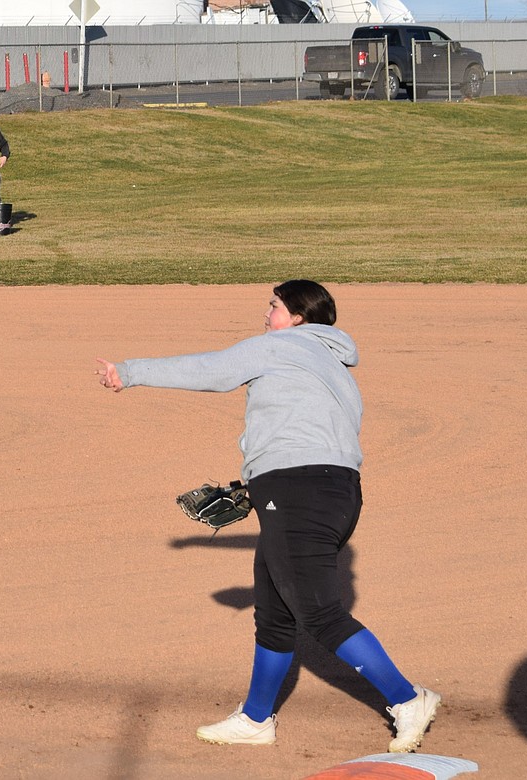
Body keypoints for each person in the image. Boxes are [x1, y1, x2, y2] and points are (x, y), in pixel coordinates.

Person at [95, 280, 440, 753]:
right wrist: (259, 484)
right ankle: (256, 718)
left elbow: (212, 370)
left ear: (298, 317)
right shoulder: (333, 365)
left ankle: (407, 698)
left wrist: (129, 372)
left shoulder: (279, 347)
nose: (267, 315)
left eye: (275, 306)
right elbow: (308, 433)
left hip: (298, 489)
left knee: (319, 614)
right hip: (331, 490)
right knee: (276, 613)